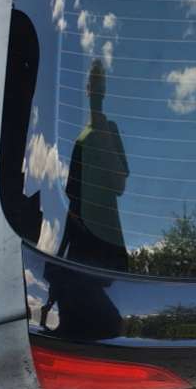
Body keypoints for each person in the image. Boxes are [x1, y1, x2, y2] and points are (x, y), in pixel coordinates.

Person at [58, 59, 130, 271]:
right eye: (94, 83)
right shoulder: (80, 140)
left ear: (104, 91)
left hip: (109, 239)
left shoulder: (110, 129)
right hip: (81, 243)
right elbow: (73, 202)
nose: (97, 88)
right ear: (88, 89)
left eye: (101, 84)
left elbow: (119, 186)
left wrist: (104, 136)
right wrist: (61, 252)